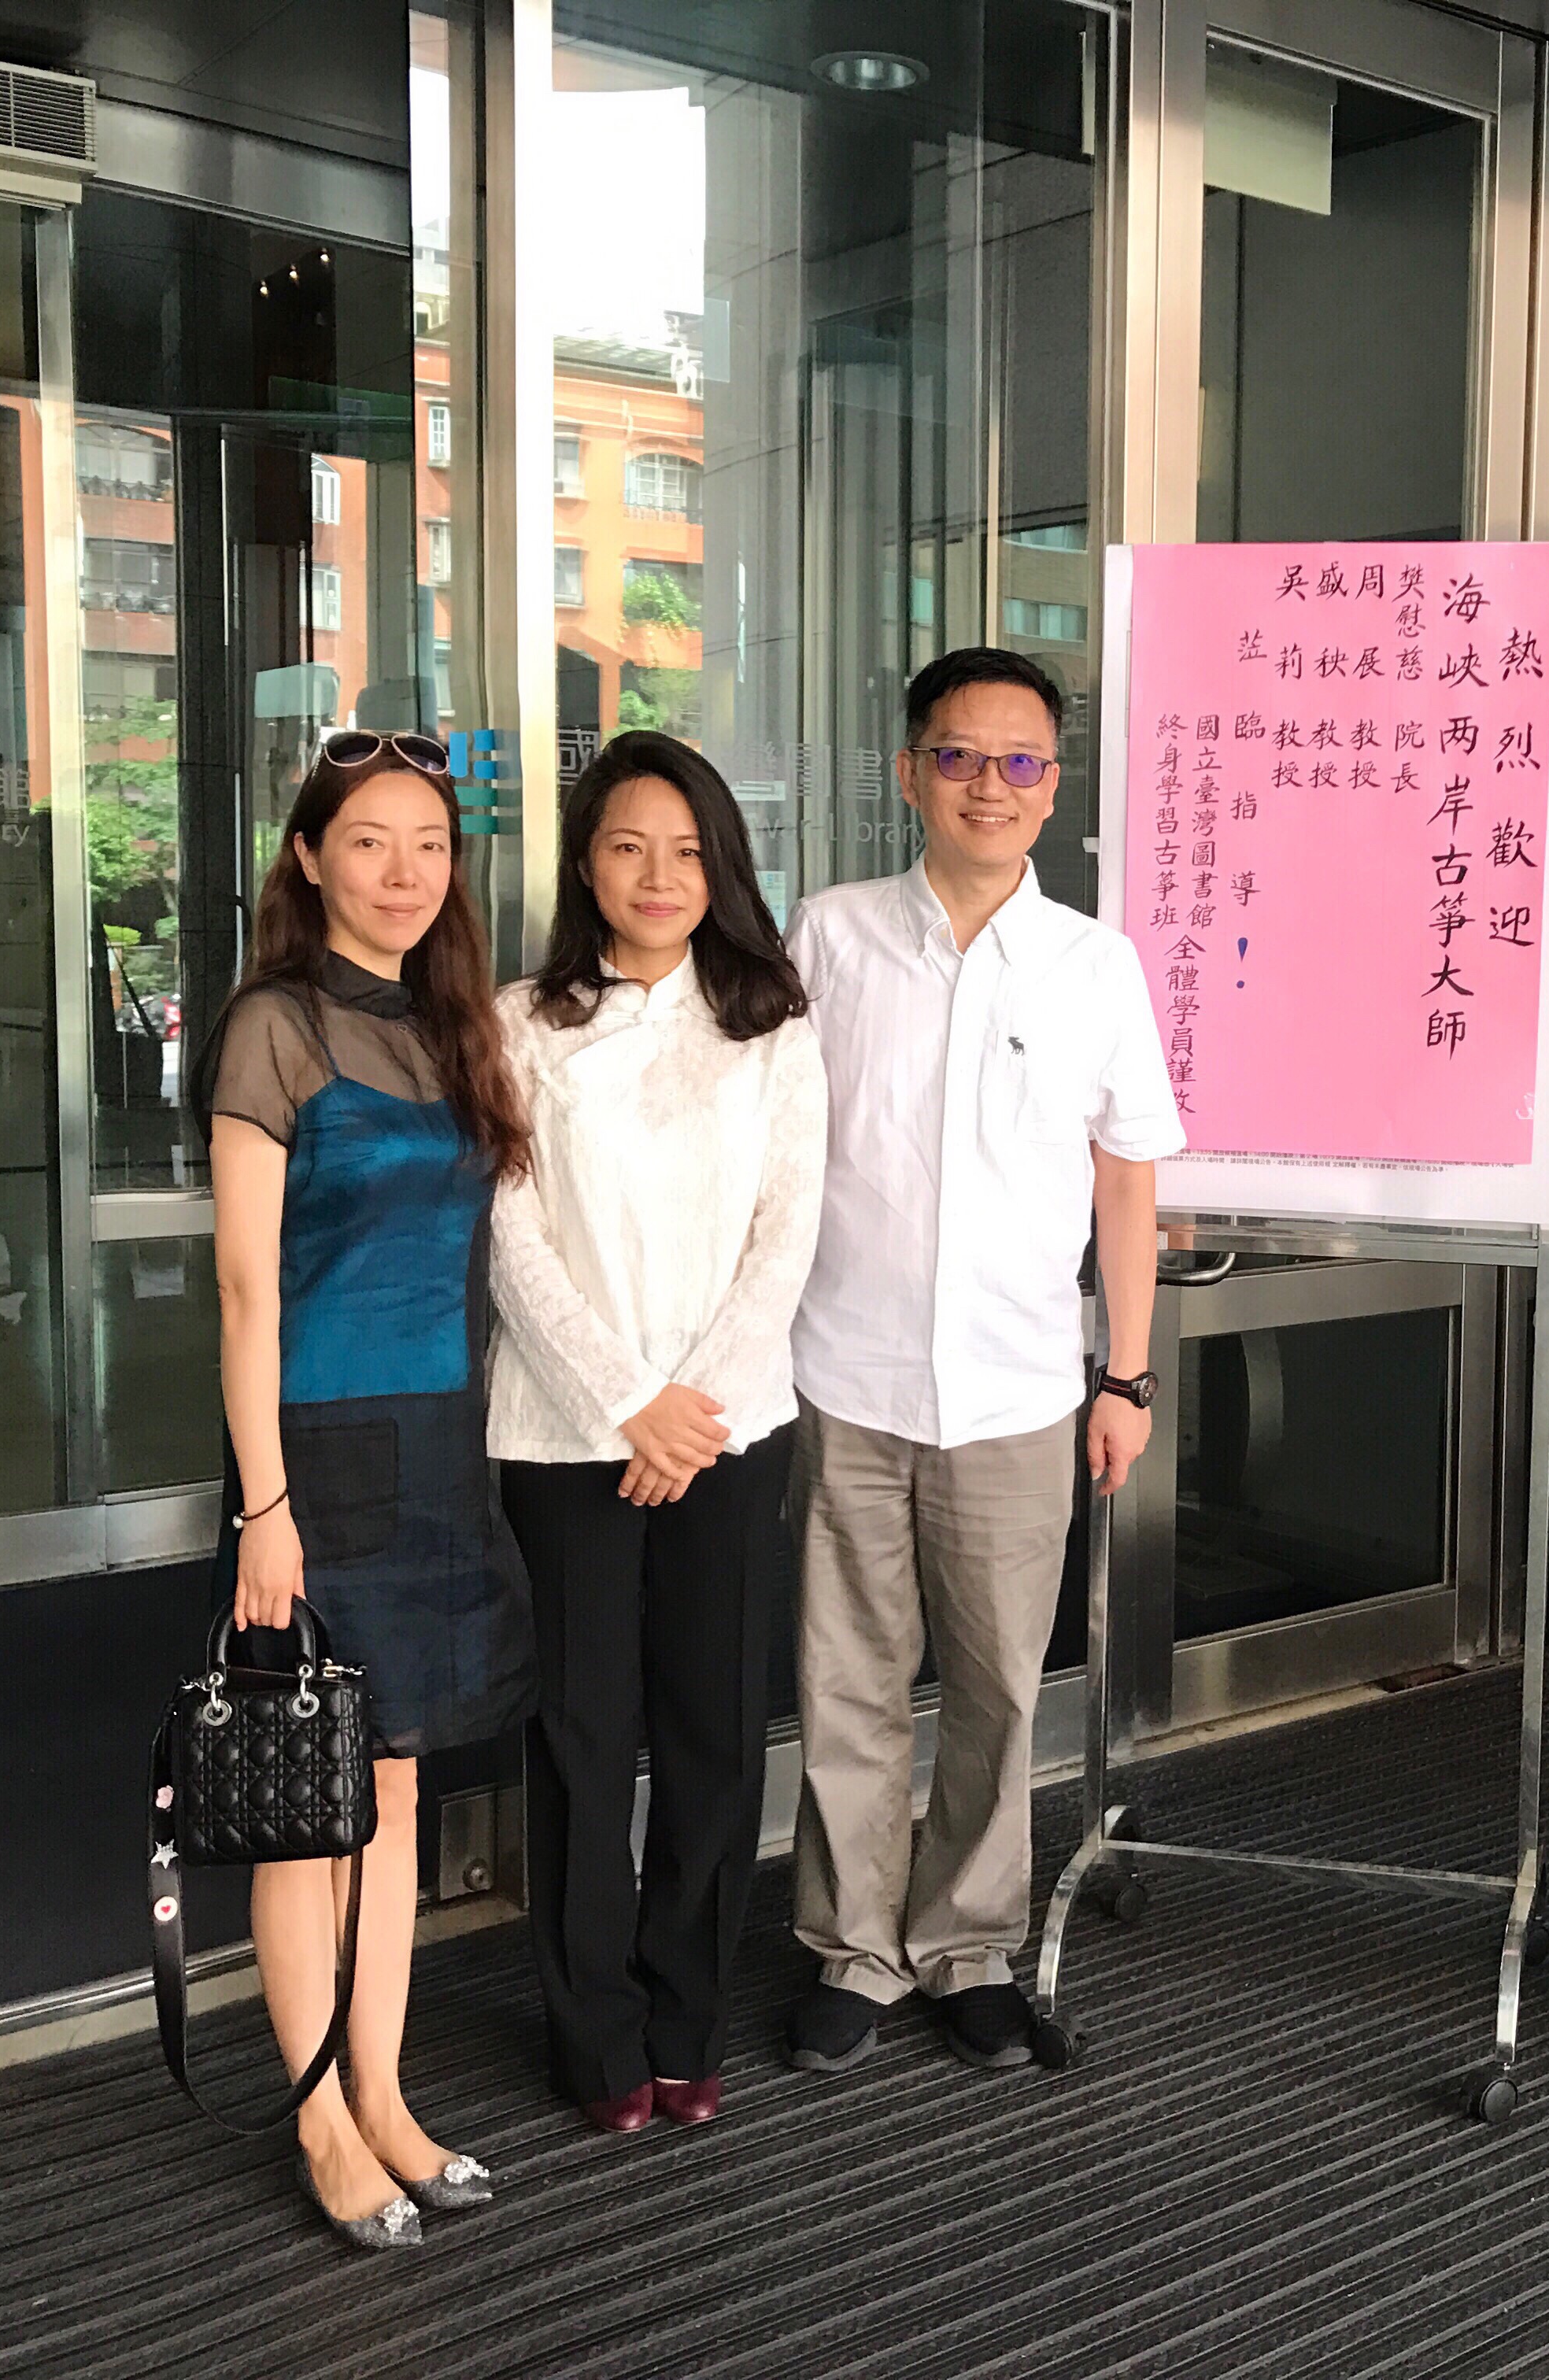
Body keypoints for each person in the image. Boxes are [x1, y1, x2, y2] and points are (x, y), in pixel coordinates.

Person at [782, 646, 1183, 2075]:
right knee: (847, 1679)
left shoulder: (1094, 965)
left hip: (1017, 1390)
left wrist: (1125, 1375)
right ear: (910, 774)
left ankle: (967, 1946)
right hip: (845, 1374)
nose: (989, 786)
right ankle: (852, 1949)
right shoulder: (828, 939)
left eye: (1020, 763)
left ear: (1053, 788)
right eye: (959, 757)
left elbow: (1127, 1181)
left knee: (1001, 1690)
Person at [194, 730, 538, 2251]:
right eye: (369, 842)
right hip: (316, 1456)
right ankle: (320, 2123)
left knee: (390, 1790)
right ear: (310, 858)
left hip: (441, 1445)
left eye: (430, 845)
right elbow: (245, 1293)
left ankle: (385, 2094)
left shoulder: (456, 1027)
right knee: (308, 1804)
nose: (404, 873)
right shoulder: (274, 1025)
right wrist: (264, 1509)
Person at [489, 730, 826, 2134]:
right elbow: (507, 1232)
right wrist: (626, 1400)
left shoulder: (772, 1023)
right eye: (628, 846)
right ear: (586, 862)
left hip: (730, 1432)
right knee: (580, 1739)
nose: (658, 875)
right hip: (565, 1436)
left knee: (712, 1737)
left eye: (687, 851)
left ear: (721, 868)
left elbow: (788, 1229)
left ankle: (686, 2016)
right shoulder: (519, 1023)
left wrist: (690, 1412)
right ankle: (595, 2034)